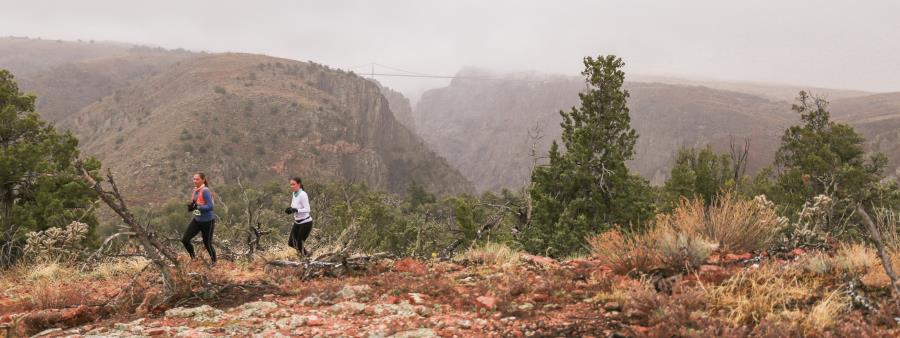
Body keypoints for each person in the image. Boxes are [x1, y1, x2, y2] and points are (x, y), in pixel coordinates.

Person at [182, 171, 217, 266]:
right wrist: (191, 207)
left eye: (197, 179)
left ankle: (214, 263)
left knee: (207, 243)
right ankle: (194, 258)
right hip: (197, 220)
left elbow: (210, 207)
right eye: (194, 179)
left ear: (203, 180)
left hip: (208, 221)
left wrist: (197, 207)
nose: (195, 181)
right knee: (185, 239)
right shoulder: (195, 190)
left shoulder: (205, 191)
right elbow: (195, 205)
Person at [285, 177, 313, 257]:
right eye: (291, 184)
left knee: (299, 244)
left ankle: (306, 259)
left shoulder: (303, 194)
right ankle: (306, 256)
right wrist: (290, 209)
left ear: (299, 184)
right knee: (291, 243)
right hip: (297, 222)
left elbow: (308, 209)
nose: (291, 186)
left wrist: (296, 210)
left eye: (293, 184)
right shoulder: (294, 193)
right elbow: (294, 205)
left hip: (306, 223)